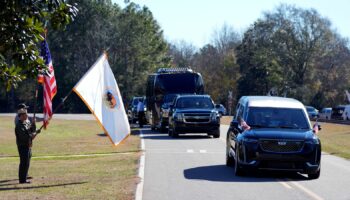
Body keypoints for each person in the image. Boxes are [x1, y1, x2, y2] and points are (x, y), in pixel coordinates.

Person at [15, 105, 40, 184]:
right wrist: (35, 133)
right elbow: (26, 137)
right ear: (21, 116)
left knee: (27, 162)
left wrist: (34, 123)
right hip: (23, 146)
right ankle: (22, 180)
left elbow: (32, 129)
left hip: (28, 146)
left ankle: (24, 177)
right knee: (23, 163)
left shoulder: (25, 123)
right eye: (25, 114)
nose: (27, 115)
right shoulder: (19, 126)